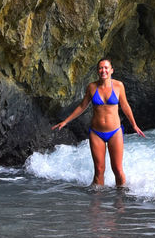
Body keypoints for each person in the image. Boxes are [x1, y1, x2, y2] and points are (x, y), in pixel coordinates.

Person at [52, 58, 147, 188]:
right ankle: (97, 203)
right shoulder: (92, 87)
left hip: (115, 132)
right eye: (101, 68)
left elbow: (125, 106)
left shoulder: (118, 85)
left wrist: (134, 125)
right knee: (99, 170)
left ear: (111, 70)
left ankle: (121, 200)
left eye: (106, 67)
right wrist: (65, 121)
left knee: (118, 170)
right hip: (96, 133)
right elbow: (82, 106)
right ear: (98, 71)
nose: (104, 70)